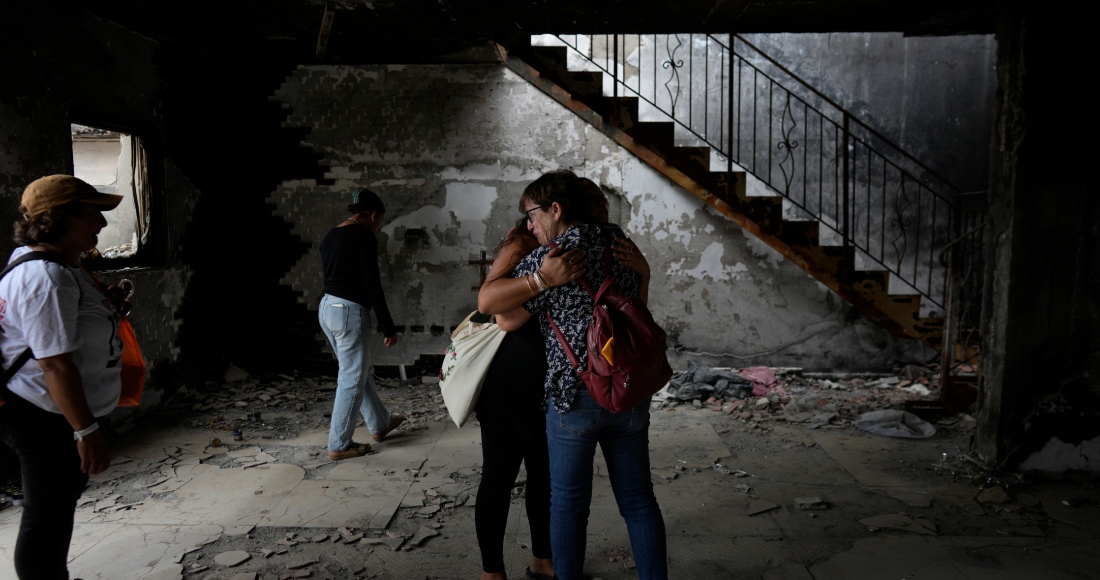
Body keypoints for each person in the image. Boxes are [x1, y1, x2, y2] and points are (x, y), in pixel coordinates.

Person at [488, 170, 667, 580]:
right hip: (629, 389)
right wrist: (644, 275)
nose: (529, 225)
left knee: (568, 504)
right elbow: (637, 311)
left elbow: (499, 312)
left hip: (574, 395)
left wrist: (537, 281)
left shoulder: (553, 256)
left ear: (557, 208)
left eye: (532, 215)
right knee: (640, 502)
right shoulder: (622, 244)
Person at [0, 175, 127, 580]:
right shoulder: (47, 277)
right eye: (91, 214)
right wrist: (86, 431)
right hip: (46, 416)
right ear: (55, 219)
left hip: (56, 414)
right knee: (47, 517)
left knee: (56, 508)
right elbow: (55, 365)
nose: (101, 223)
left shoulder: (62, 265)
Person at [471, 217, 585, 580]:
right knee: (499, 477)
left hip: (551, 384)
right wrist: (542, 281)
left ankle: (543, 560)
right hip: (510, 379)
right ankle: (492, 572)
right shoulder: (523, 242)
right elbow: (496, 310)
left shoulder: (576, 246)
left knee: (544, 478)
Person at [318, 188, 404, 460]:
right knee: (352, 377)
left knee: (358, 371)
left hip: (327, 308)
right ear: (374, 215)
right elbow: (371, 283)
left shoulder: (331, 235)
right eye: (381, 220)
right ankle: (339, 444)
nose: (379, 225)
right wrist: (387, 325)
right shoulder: (364, 237)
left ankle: (379, 424)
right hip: (349, 312)